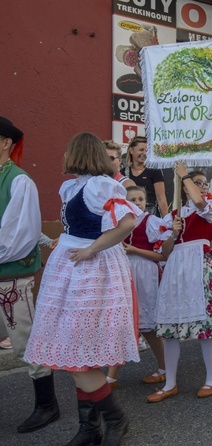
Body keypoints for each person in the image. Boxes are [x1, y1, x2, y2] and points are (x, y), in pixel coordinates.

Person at [24, 132, 140, 445]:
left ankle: (115, 419)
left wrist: (91, 249)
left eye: (67, 151)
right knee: (78, 353)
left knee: (75, 356)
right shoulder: (73, 186)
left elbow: (127, 223)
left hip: (92, 273)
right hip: (71, 271)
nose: (63, 157)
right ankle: (90, 429)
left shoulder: (100, 185)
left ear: (77, 154)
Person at [0, 116, 60, 434]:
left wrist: (45, 241)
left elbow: (17, 236)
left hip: (11, 278)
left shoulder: (19, 181)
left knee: (26, 344)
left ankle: (47, 405)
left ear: (6, 142)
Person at [148, 165, 212, 403]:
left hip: (197, 264)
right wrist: (172, 233)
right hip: (176, 269)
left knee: (203, 327)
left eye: (203, 183)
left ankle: (211, 378)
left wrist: (185, 174)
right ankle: (170, 383)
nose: (200, 186)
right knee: (169, 329)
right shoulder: (174, 215)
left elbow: (199, 203)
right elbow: (165, 251)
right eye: (195, 183)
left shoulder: (209, 206)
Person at [122, 186, 170, 383]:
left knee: (148, 325)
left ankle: (165, 367)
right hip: (126, 271)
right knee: (126, 321)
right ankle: (111, 375)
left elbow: (163, 255)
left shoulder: (151, 222)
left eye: (140, 199)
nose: (138, 202)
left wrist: (134, 250)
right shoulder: (120, 222)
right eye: (132, 199)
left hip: (144, 272)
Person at [125, 136, 168, 217]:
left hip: (149, 215)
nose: (144, 153)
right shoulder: (123, 172)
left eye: (147, 151)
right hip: (129, 215)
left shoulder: (154, 171)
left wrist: (166, 221)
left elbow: (161, 198)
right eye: (141, 150)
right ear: (131, 150)